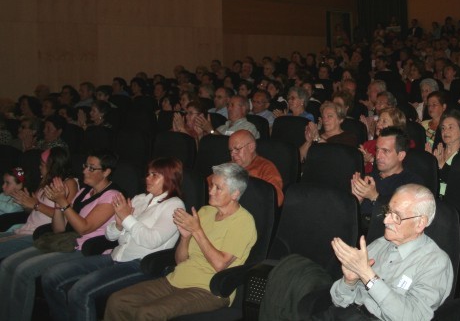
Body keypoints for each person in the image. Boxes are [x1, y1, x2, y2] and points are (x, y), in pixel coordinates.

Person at [104, 163, 257, 320]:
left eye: (218, 188)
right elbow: (180, 260)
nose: (210, 191)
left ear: (235, 194)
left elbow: (220, 265)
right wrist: (185, 237)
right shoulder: (205, 212)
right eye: (211, 185)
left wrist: (197, 231)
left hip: (208, 290)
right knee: (117, 301)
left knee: (147, 313)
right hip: (176, 279)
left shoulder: (243, 222)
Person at [41, 157, 185, 321]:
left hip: (140, 264)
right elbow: (110, 236)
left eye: (154, 175)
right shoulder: (140, 199)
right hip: (116, 255)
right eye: (148, 174)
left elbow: (152, 240)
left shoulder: (174, 205)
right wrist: (118, 225)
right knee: (51, 275)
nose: (147, 178)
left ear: (169, 179)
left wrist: (127, 219)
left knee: (80, 291)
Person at [0, 150, 119, 321]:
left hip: (85, 248)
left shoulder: (111, 195)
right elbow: (59, 229)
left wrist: (63, 202)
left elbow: (84, 228)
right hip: (66, 241)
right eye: (85, 166)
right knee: (8, 264)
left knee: (23, 272)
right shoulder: (85, 191)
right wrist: (58, 203)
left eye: (91, 168)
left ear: (106, 172)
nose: (84, 170)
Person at [321, 184, 453, 320]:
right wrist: (349, 281)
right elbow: (338, 301)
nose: (385, 220)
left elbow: (413, 317)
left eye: (396, 217)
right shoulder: (380, 244)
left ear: (420, 223)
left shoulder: (435, 262)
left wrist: (367, 276)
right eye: (388, 211)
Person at [0, 148, 78, 257]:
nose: (39, 166)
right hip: (27, 228)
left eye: (42, 164)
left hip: (41, 234)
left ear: (52, 166)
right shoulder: (46, 180)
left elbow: (66, 216)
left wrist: (36, 205)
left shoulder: (69, 183)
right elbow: (32, 210)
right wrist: (25, 203)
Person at [351, 127, 423, 225]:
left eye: (385, 151)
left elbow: (401, 221)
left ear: (401, 155)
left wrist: (374, 198)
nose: (378, 156)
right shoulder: (369, 177)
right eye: (377, 150)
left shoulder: (412, 185)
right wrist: (355, 201)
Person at [228, 130, 284, 206]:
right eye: (231, 150)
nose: (232, 154)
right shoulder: (229, 166)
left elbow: (277, 199)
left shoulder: (266, 168)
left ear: (251, 147)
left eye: (237, 149)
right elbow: (209, 186)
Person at [426, 110, 460, 196]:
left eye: (450, 127)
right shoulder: (437, 152)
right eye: (443, 128)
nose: (445, 131)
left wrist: (442, 166)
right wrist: (429, 163)